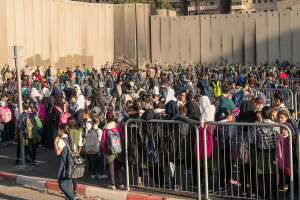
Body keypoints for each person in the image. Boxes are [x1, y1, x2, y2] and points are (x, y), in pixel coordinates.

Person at [54, 123, 79, 200]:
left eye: (58, 129)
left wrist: (55, 142)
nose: (58, 131)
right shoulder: (71, 140)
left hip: (64, 166)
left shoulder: (62, 140)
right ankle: (71, 198)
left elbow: (58, 152)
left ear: (61, 131)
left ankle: (74, 198)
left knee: (62, 185)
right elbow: (75, 152)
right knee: (68, 185)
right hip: (71, 166)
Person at [101, 110, 125, 190]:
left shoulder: (105, 128)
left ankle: (112, 184)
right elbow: (121, 136)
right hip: (117, 148)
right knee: (118, 166)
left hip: (109, 149)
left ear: (106, 119)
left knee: (111, 167)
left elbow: (103, 141)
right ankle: (121, 183)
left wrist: (104, 149)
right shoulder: (117, 126)